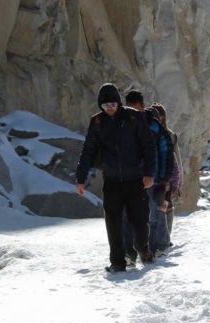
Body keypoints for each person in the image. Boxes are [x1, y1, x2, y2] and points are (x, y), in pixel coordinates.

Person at [75, 83, 156, 273]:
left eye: (112, 104)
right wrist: (81, 178)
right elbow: (88, 150)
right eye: (105, 106)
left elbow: (148, 146)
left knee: (140, 219)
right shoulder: (97, 122)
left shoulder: (134, 117)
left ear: (118, 102)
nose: (109, 108)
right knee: (113, 222)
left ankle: (143, 247)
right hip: (111, 181)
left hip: (136, 179)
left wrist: (149, 174)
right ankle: (117, 262)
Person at [120, 90, 173, 259]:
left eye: (135, 108)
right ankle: (135, 251)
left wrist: (165, 180)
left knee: (155, 214)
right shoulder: (123, 126)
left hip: (154, 179)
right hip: (131, 180)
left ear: (142, 106)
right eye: (129, 108)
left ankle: (160, 247)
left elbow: (166, 153)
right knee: (130, 217)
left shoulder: (154, 126)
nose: (132, 112)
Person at [150, 103, 181, 246]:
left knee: (166, 208)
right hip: (154, 179)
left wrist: (177, 184)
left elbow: (176, 161)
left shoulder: (169, 135)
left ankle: (165, 240)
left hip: (167, 179)